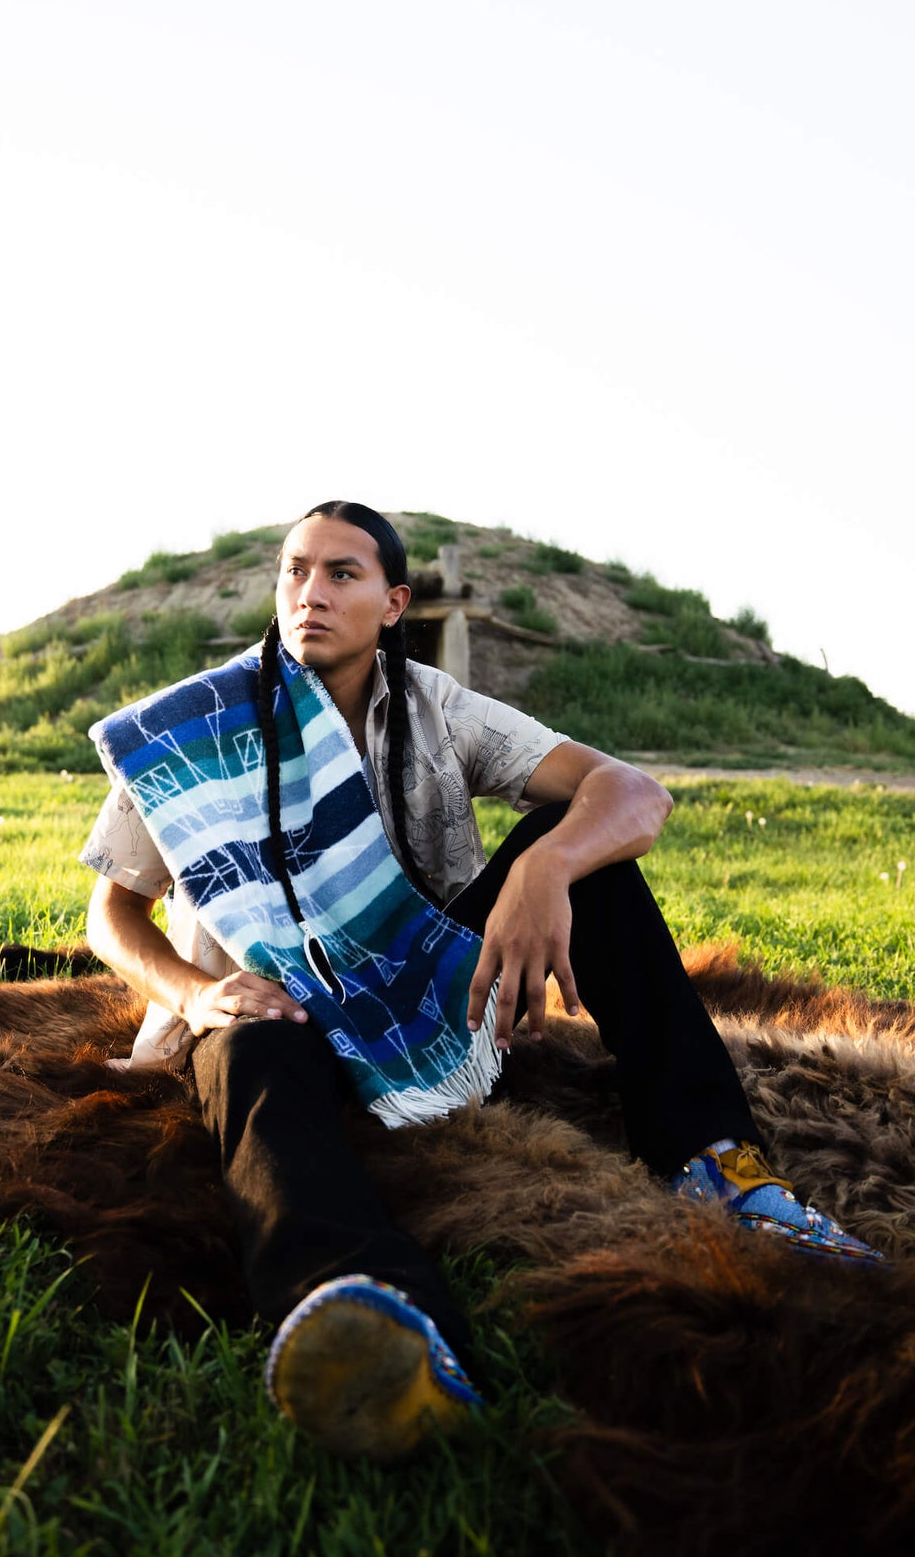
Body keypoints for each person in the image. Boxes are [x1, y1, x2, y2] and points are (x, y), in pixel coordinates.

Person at [80, 501, 881, 1462]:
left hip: (426, 1000)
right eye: (295, 569)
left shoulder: (432, 705)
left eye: (341, 573)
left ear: (395, 603)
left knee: (592, 864)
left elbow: (633, 792)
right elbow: (111, 916)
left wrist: (545, 869)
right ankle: (364, 1311)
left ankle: (716, 1162)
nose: (309, 592)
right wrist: (190, 993)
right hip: (278, 1011)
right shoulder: (196, 727)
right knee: (248, 1047)